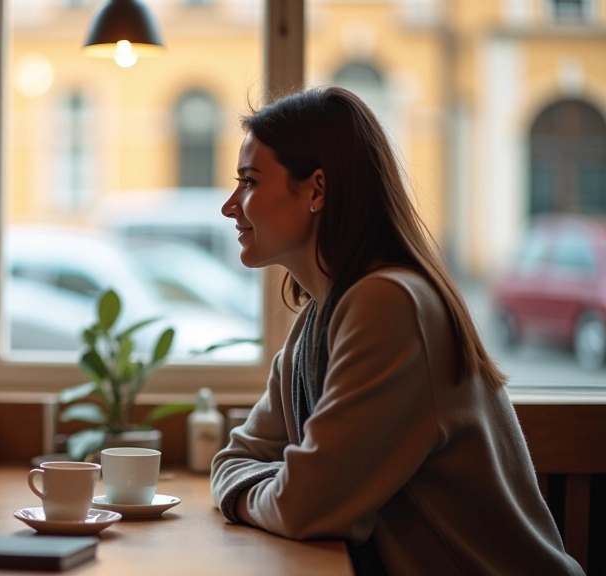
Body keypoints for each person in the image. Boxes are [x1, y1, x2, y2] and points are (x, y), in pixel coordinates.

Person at [211, 87, 582, 575]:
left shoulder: (389, 305)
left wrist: (260, 492)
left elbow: (307, 507)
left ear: (317, 189)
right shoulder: (318, 320)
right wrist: (279, 487)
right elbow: (237, 459)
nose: (231, 206)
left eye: (250, 182)